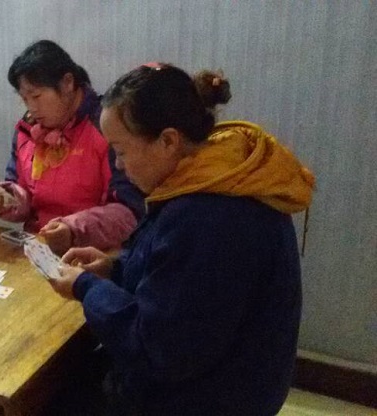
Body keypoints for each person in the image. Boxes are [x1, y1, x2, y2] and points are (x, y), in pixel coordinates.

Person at [51, 63, 315, 414]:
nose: (118, 165)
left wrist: (86, 287)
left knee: (52, 393)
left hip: (209, 398)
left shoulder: (207, 214)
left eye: (122, 151)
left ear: (168, 141)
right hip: (228, 376)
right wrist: (114, 269)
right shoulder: (220, 172)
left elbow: (154, 348)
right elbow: (178, 283)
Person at [0, 40, 145, 254]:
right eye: (25, 99)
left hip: (95, 257)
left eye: (37, 96)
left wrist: (73, 230)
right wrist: (7, 200)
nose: (32, 108)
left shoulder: (107, 127)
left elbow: (130, 212)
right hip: (39, 250)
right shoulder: (28, 130)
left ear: (67, 83)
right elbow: (20, 189)